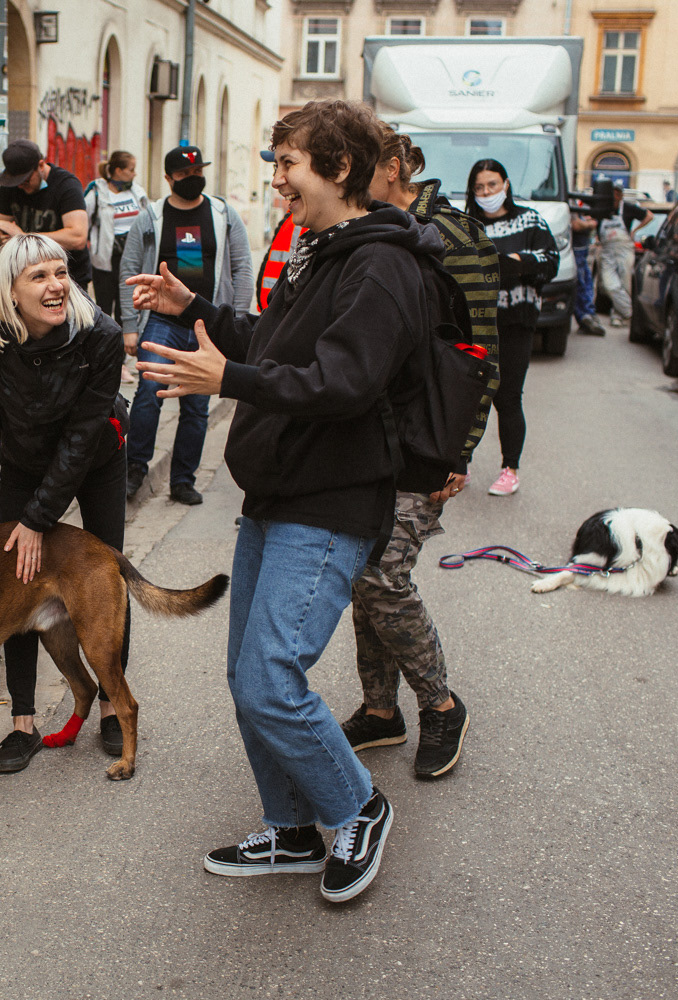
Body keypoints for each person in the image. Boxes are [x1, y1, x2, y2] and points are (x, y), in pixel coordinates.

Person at [131, 99, 445, 903]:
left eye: (288, 166)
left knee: (272, 676)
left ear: (338, 169)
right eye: (275, 166)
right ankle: (295, 826)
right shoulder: (325, 248)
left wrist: (223, 379)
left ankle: (357, 810)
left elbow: (344, 382)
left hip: (332, 499)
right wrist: (193, 310)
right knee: (248, 675)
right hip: (279, 490)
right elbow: (275, 344)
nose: (277, 183)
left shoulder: (383, 265)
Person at [338, 127, 498, 780]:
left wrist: (458, 451)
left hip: (423, 440)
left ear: (396, 168)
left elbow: (480, 353)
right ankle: (381, 711)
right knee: (361, 574)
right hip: (364, 438)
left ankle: (440, 704)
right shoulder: (367, 231)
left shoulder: (456, 238)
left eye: (361, 172)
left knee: (384, 578)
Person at [0, 234, 130, 773]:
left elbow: (81, 437)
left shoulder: (100, 335)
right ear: (8, 292)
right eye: (39, 277)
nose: (57, 285)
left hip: (97, 456)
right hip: (25, 458)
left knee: (104, 580)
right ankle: (23, 724)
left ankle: (108, 705)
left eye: (61, 272)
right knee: (17, 581)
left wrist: (37, 519)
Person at [119, 146, 253, 506]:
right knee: (149, 395)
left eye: (198, 172)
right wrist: (129, 326)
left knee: (196, 405)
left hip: (207, 324)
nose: (193, 179)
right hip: (162, 321)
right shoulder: (152, 217)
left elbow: (242, 267)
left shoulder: (223, 214)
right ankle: (135, 469)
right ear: (168, 178)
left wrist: (235, 322)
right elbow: (130, 267)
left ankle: (182, 480)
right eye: (184, 175)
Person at [466, 158, 558, 498]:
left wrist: (518, 262)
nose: (487, 192)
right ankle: (460, 463)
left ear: (505, 184)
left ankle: (510, 468)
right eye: (479, 187)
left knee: (508, 396)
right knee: (468, 394)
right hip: (475, 324)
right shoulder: (468, 225)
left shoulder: (530, 219)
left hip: (516, 322)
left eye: (492, 185)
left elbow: (550, 262)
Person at [0, 139, 91, 287]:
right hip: (27, 276)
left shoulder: (66, 185)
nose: (20, 186)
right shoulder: (10, 186)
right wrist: (3, 236)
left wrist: (25, 238)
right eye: (16, 182)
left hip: (68, 277)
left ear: (40, 165)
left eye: (25, 180)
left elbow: (77, 237)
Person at [84, 150, 150, 326]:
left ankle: (124, 345)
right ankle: (107, 348)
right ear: (118, 171)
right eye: (131, 169)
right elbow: (84, 223)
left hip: (132, 257)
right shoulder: (97, 193)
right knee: (104, 308)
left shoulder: (137, 192)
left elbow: (148, 219)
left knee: (128, 305)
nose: (134, 173)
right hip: (106, 260)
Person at [596, 185, 654, 330]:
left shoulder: (628, 208)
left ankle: (617, 315)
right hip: (607, 250)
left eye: (617, 194)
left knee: (624, 282)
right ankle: (630, 311)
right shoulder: (603, 209)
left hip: (624, 249)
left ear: (621, 196)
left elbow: (649, 215)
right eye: (612, 194)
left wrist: (635, 230)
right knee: (608, 284)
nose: (615, 197)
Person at [570, 201, 603, 336]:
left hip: (582, 252)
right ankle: (585, 315)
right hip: (576, 251)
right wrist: (591, 224)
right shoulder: (569, 204)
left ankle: (587, 314)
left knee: (586, 282)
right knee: (581, 284)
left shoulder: (574, 203)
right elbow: (576, 225)